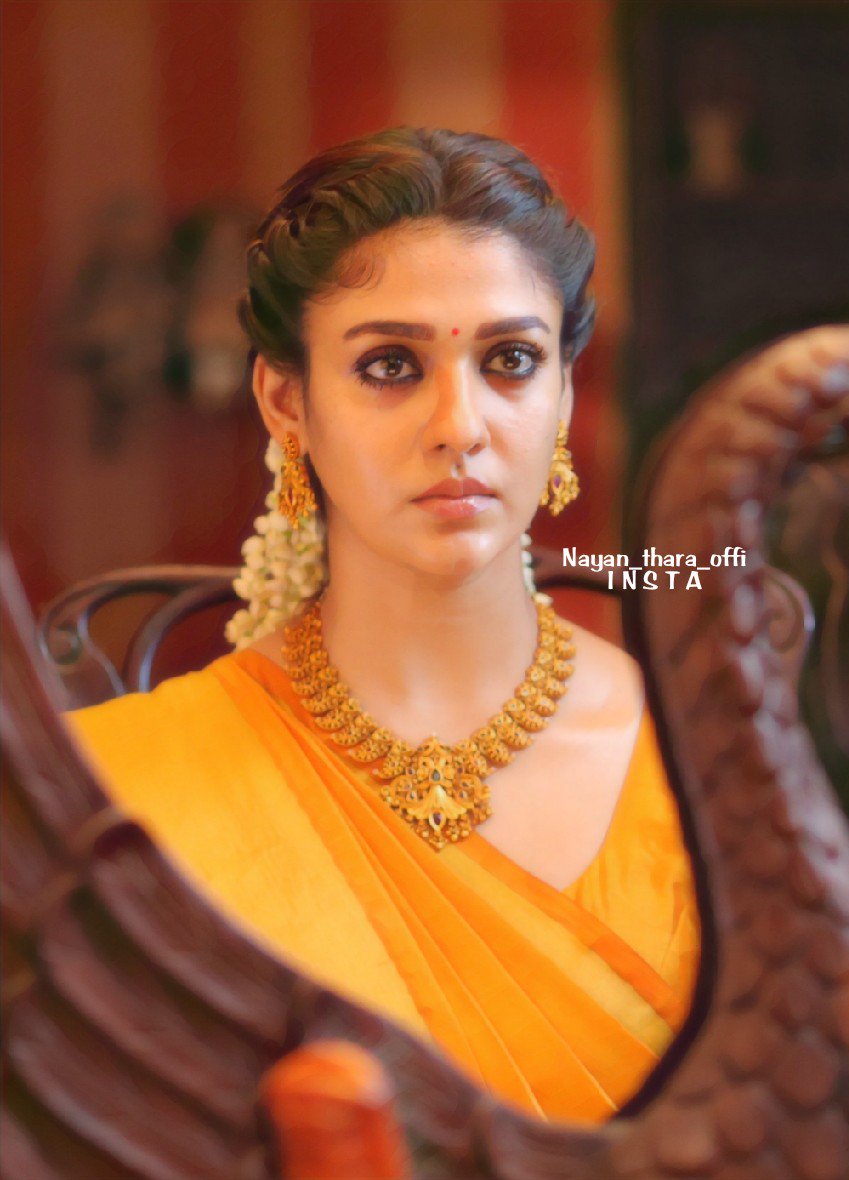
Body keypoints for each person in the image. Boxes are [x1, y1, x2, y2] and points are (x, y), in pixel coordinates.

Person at [66, 126, 699, 1125]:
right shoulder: (120, 782)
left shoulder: (702, 753)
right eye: (391, 365)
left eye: (510, 360)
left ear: (564, 394)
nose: (460, 425)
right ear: (286, 403)